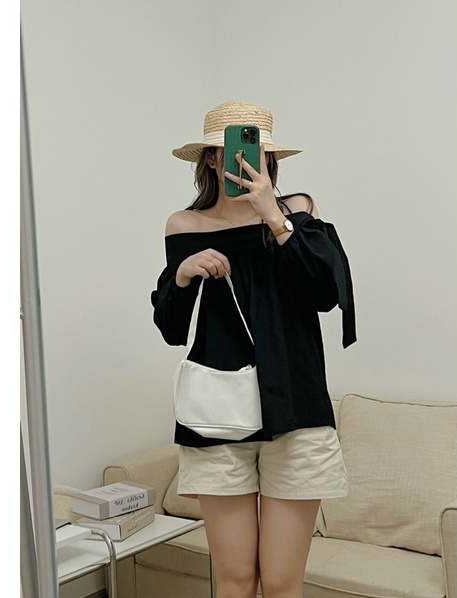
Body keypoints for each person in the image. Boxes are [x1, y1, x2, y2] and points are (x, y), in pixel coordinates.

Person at [151, 101, 356, 598]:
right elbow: (172, 328)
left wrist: (274, 217)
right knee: (236, 578)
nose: (240, 162)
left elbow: (326, 293)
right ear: (211, 160)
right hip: (217, 418)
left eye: (254, 152)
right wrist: (182, 275)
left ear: (269, 159)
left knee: (283, 582)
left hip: (297, 411)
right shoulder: (185, 225)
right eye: (227, 153)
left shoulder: (297, 210)